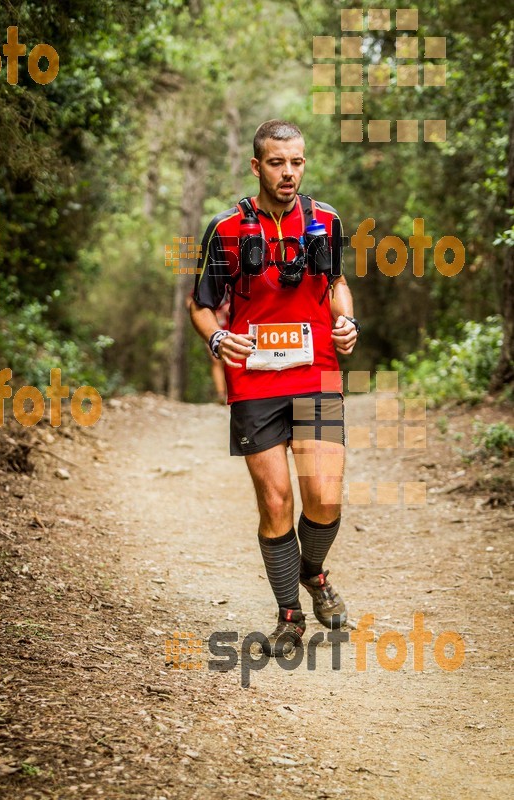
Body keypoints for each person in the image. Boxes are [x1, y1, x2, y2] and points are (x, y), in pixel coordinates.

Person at [190, 120, 359, 657]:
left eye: (297, 162)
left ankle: (312, 572)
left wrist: (346, 322)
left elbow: (335, 284)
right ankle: (289, 615)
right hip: (254, 381)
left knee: (325, 497)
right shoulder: (226, 229)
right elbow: (200, 303)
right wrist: (219, 339)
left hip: (317, 374)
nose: (289, 172)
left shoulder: (326, 220)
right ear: (257, 166)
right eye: (278, 163)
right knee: (276, 499)